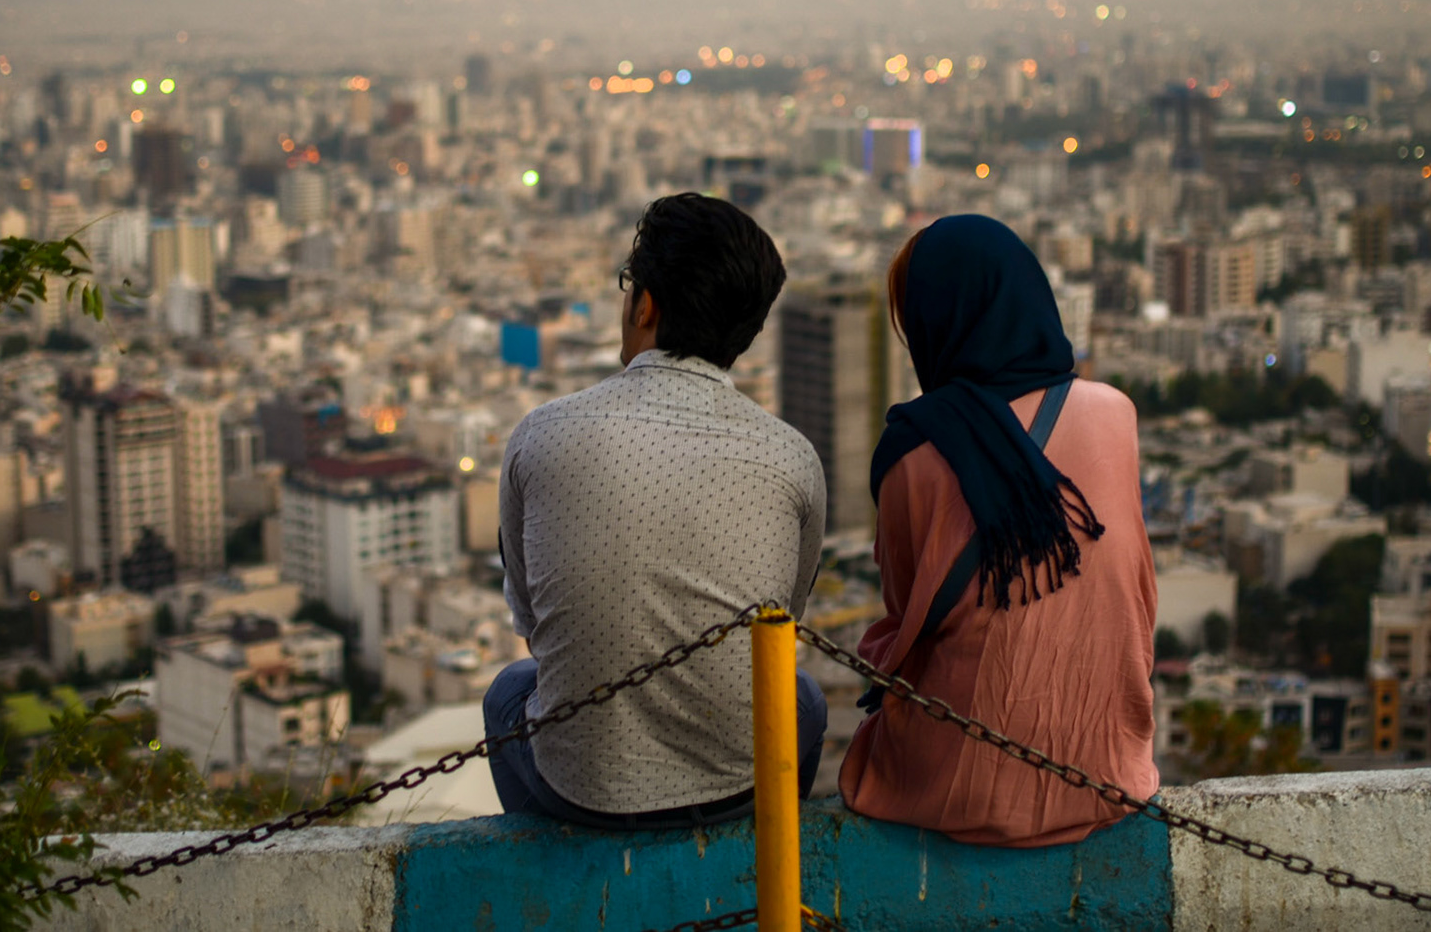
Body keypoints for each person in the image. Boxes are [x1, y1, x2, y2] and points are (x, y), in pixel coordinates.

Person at [486, 192, 828, 828]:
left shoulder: (542, 433)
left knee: (508, 690)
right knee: (803, 697)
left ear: (644, 304)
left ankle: (555, 867)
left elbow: (533, 622)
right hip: (742, 785)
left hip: (581, 790)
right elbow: (782, 627)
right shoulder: (793, 457)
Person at [839, 214, 1157, 846]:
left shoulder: (914, 453)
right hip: (1110, 770)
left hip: (951, 788)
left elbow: (909, 618)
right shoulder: (1115, 414)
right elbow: (1135, 595)